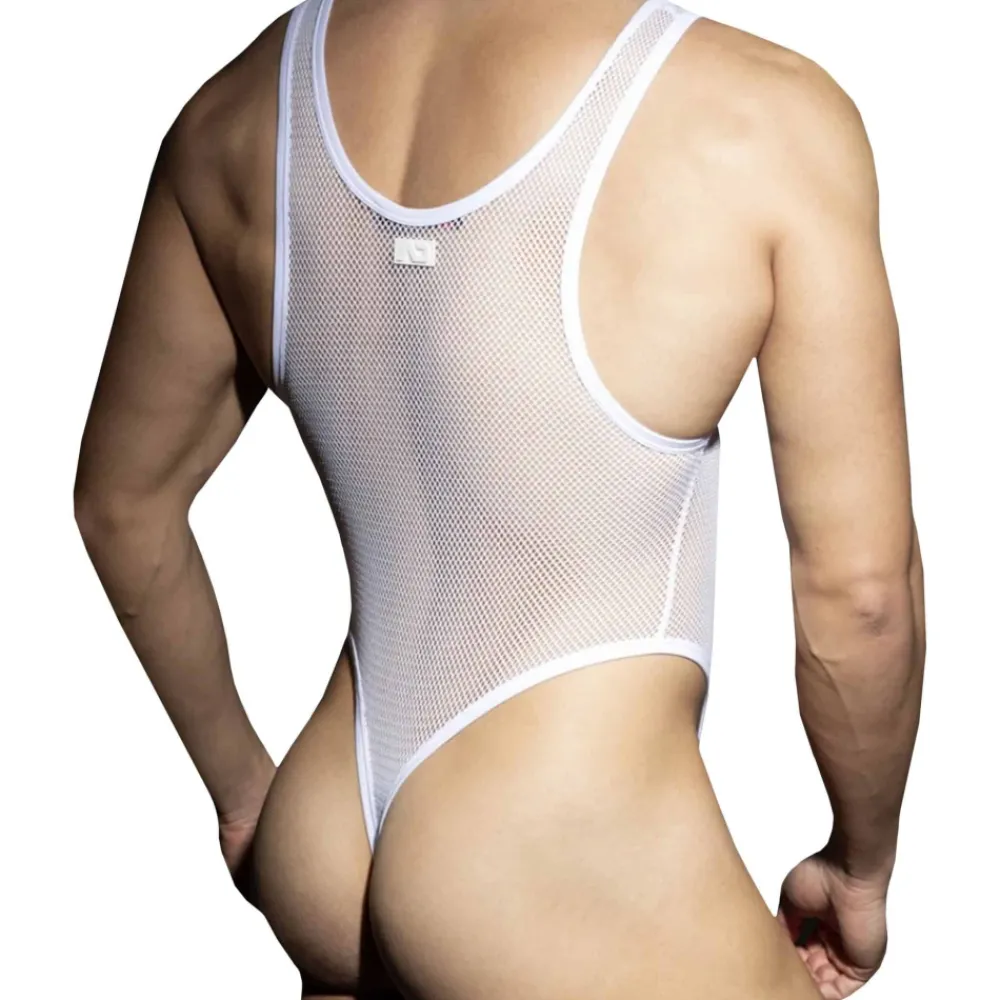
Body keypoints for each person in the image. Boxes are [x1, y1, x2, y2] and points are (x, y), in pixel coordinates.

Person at [73, 0, 925, 997]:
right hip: (555, 851)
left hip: (328, 826)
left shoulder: (236, 111)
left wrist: (245, 797)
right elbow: (861, 598)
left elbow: (121, 505)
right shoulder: (759, 116)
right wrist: (859, 865)